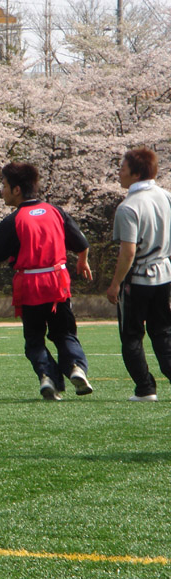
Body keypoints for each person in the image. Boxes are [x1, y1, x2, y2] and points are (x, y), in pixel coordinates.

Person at [0, 162, 93, 401]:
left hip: (30, 285)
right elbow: (81, 242)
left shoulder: (15, 220)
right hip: (57, 282)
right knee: (64, 333)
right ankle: (76, 367)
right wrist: (82, 261)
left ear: (17, 189)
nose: (2, 191)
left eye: (4, 185)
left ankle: (47, 377)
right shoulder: (55, 212)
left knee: (34, 338)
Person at [106, 147, 171, 402]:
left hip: (138, 279)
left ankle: (145, 388)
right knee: (163, 332)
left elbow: (128, 252)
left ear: (135, 174)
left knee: (132, 335)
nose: (119, 173)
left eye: (122, 168)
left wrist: (115, 284)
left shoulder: (128, 207)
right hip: (164, 275)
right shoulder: (166, 197)